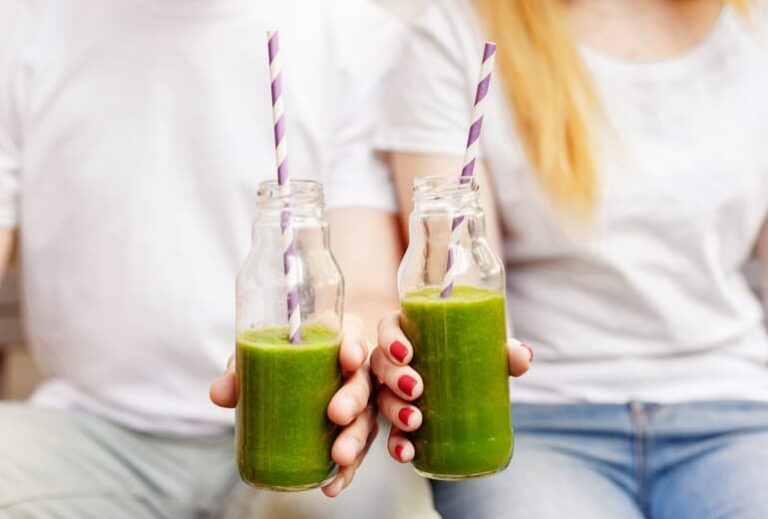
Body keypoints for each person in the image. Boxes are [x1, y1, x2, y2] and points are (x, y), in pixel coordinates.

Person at [0, 0, 421, 517]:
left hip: (304, 420)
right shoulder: (23, 23)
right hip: (87, 435)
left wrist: (356, 363)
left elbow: (366, 287)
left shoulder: (355, 35)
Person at [372, 0, 768, 517]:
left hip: (735, 405)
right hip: (538, 419)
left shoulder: (753, 27)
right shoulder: (456, 31)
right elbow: (452, 261)